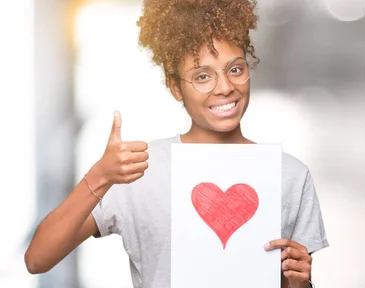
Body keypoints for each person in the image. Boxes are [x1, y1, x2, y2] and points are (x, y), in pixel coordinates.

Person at [24, 0, 329, 287]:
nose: (225, 88)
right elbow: (37, 259)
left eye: (236, 69)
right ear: (175, 88)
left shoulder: (290, 175)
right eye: (202, 76)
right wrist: (100, 175)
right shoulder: (139, 171)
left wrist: (300, 284)